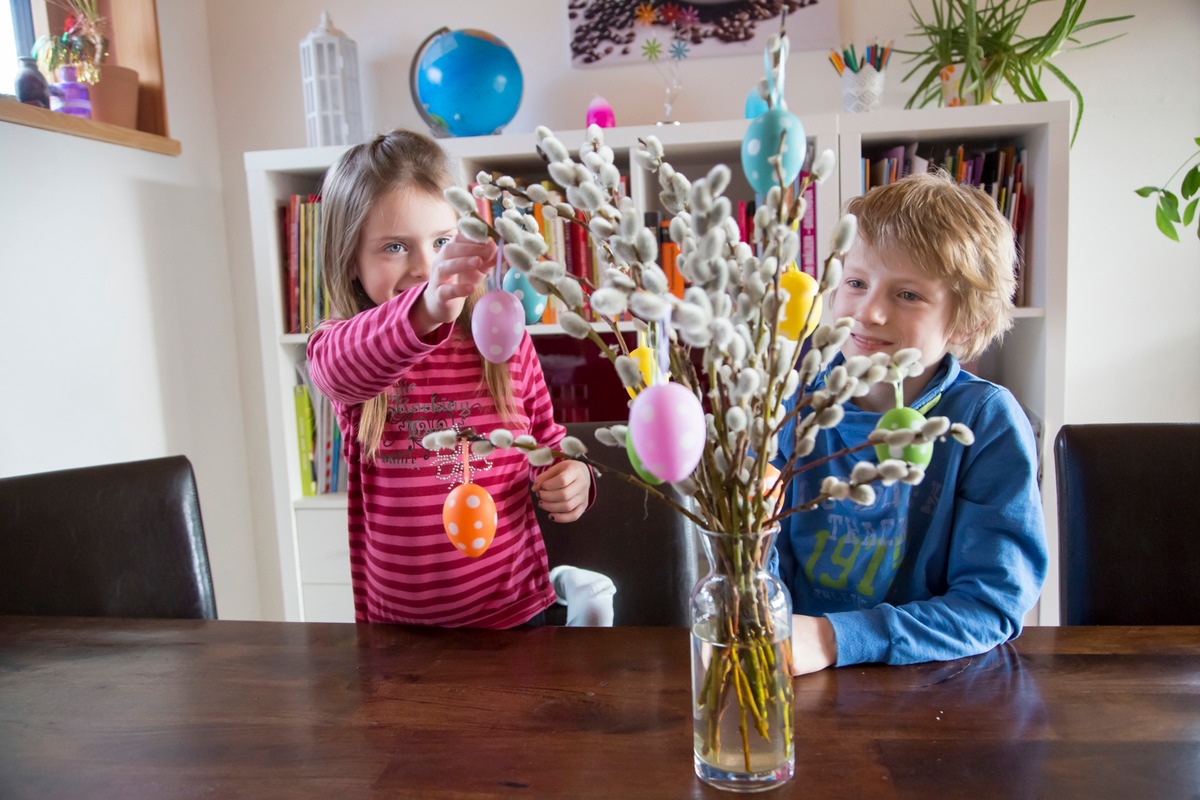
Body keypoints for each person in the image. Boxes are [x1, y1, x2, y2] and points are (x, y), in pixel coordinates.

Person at [307, 129, 601, 628]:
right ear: (350, 261)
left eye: (442, 242)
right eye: (395, 247)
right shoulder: (352, 346)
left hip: (514, 615)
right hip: (399, 632)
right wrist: (423, 310)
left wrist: (576, 480)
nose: (426, 268)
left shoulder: (501, 338)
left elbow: (548, 448)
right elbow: (335, 371)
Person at [772, 170, 1048, 675]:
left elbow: (992, 605)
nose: (869, 312)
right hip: (796, 678)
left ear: (969, 322)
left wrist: (839, 638)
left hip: (935, 689)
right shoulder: (786, 401)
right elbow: (754, 584)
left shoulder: (986, 423)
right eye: (856, 283)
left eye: (908, 295)